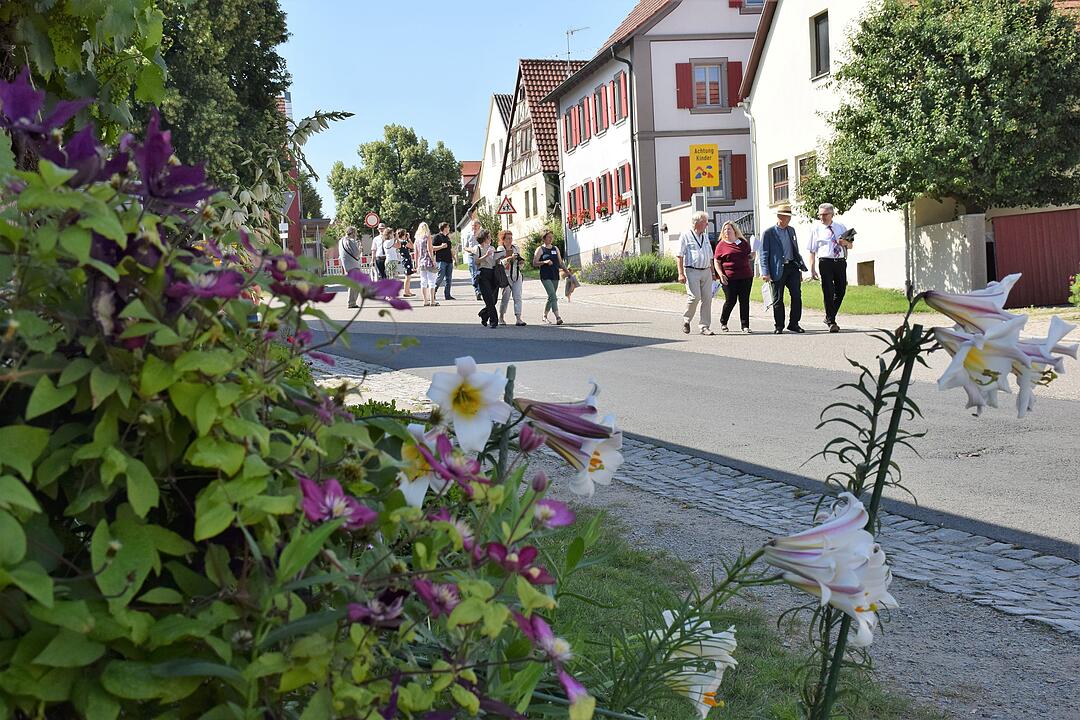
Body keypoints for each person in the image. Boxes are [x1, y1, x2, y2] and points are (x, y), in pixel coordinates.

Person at [759, 204, 807, 334]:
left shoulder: (791, 230)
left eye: (789, 217)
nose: (788, 219)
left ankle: (794, 323)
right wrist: (765, 272)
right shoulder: (769, 233)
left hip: (792, 266)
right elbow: (763, 253)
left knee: (796, 296)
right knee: (778, 299)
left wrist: (800, 268)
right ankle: (779, 325)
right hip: (777, 269)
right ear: (780, 216)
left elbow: (795, 250)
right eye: (786, 217)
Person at [806, 203, 850, 333]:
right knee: (828, 291)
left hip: (840, 261)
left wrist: (845, 243)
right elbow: (812, 250)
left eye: (825, 214)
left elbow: (851, 245)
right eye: (820, 215)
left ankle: (829, 316)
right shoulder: (816, 229)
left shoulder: (841, 227)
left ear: (832, 214)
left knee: (841, 290)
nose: (822, 217)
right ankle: (832, 322)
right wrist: (812, 268)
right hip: (825, 262)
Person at [676, 211, 715, 335]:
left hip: (706, 271)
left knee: (707, 298)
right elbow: (679, 255)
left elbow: (710, 256)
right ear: (697, 223)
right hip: (692, 270)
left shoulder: (705, 236)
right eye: (704, 222)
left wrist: (713, 272)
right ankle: (686, 320)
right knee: (694, 297)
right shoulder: (685, 236)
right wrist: (680, 273)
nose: (707, 224)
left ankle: (704, 326)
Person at [713, 221, 755, 333]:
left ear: (734, 230)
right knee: (731, 300)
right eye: (725, 229)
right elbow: (717, 261)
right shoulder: (721, 245)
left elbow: (749, 256)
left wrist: (753, 254)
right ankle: (724, 321)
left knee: (744, 300)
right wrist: (720, 274)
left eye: (729, 229)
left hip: (745, 276)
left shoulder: (742, 242)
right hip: (729, 277)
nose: (727, 231)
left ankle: (745, 325)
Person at [532, 230, 564, 325]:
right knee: (553, 296)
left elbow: (560, 262)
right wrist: (544, 262)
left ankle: (544, 316)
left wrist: (567, 272)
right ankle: (558, 317)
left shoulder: (555, 248)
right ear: (544, 238)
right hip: (545, 276)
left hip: (555, 275)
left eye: (551, 237)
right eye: (549, 237)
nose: (551, 239)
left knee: (551, 297)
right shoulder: (540, 249)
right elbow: (534, 263)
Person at [474, 229, 504, 328]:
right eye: (489, 236)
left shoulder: (492, 248)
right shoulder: (478, 248)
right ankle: (493, 321)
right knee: (489, 299)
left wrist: (499, 258)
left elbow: (494, 260)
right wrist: (486, 255)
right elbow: (476, 261)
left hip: (493, 273)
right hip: (483, 274)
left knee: (494, 300)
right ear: (484, 238)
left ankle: (484, 314)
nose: (490, 238)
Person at [497, 230, 527, 326]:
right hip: (505, 276)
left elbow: (519, 260)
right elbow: (500, 262)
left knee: (517, 296)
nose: (510, 240)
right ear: (503, 239)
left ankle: (518, 318)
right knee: (505, 297)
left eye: (511, 238)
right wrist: (510, 258)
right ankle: (501, 317)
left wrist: (521, 262)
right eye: (508, 238)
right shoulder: (501, 248)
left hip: (516, 275)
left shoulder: (516, 248)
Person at [338, 226, 363, 308]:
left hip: (346, 265)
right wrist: (360, 249)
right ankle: (352, 302)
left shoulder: (341, 241)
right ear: (353, 233)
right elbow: (356, 253)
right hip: (353, 265)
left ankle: (351, 302)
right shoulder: (350, 241)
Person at [416, 221, 439, 307]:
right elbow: (430, 250)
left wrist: (417, 264)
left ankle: (425, 300)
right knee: (432, 281)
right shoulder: (427, 237)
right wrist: (433, 260)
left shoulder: (417, 239)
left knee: (423, 282)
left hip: (421, 262)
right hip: (428, 261)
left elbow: (416, 253)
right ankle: (432, 301)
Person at [433, 221, 456, 300]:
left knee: (449, 279)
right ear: (444, 228)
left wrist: (455, 258)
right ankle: (433, 292)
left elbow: (450, 249)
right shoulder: (437, 237)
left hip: (449, 260)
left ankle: (447, 295)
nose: (449, 229)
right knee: (440, 277)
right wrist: (441, 246)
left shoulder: (447, 237)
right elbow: (432, 248)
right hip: (441, 260)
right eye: (448, 227)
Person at [462, 219, 482, 300]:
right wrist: (470, 249)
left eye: (475, 225)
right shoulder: (469, 234)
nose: (473, 227)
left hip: (480, 256)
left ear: (479, 226)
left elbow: (487, 243)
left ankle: (480, 290)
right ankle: (477, 291)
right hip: (471, 256)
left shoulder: (482, 234)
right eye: (472, 225)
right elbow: (465, 247)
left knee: (480, 274)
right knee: (474, 274)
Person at [399, 227, 416, 297]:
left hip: (404, 259)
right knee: (408, 276)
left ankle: (408, 291)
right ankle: (406, 291)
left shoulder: (399, 241)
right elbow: (412, 246)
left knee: (408, 276)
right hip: (406, 259)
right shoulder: (404, 242)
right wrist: (409, 239)